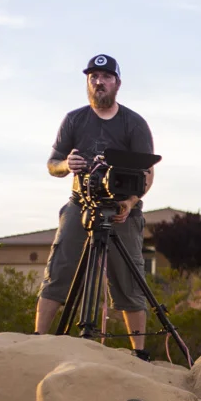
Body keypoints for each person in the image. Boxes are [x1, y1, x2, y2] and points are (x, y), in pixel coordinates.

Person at [35, 54, 157, 359]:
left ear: (117, 83)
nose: (98, 82)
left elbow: (147, 172)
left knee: (129, 279)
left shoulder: (134, 123)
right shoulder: (74, 120)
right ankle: (36, 341)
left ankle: (138, 352)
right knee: (59, 269)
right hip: (81, 203)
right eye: (93, 77)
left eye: (105, 77)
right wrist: (66, 164)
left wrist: (129, 202)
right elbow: (52, 164)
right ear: (88, 82)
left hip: (121, 208)